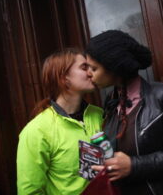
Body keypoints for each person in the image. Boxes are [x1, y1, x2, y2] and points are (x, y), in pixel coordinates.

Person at [86, 30, 163, 195]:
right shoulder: (111, 101)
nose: (88, 73)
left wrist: (133, 165)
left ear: (114, 67)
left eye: (94, 68)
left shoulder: (162, 95)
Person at [16, 48, 103, 194]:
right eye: (84, 67)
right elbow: (29, 191)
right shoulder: (37, 130)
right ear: (64, 78)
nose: (91, 72)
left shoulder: (99, 114)